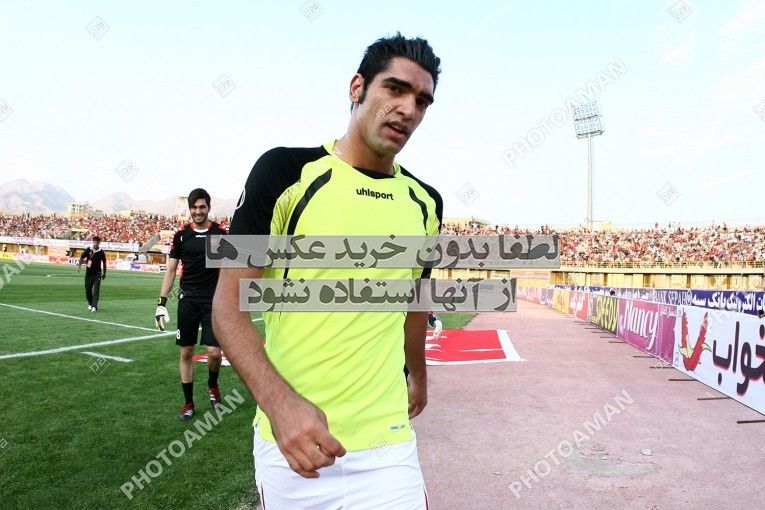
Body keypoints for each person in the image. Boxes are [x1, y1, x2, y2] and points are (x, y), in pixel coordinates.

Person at [213, 33, 442, 508]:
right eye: (395, 89)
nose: (408, 110)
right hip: (294, 445)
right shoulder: (282, 172)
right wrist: (280, 407)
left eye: (422, 101)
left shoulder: (426, 203)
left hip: (387, 446)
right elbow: (227, 308)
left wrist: (418, 375)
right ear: (357, 87)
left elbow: (415, 301)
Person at [155, 188, 228, 421]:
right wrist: (161, 303)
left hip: (212, 301)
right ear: (190, 209)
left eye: (202, 206)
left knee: (214, 353)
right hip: (187, 300)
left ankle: (213, 385)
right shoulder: (181, 236)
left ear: (209, 208)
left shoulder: (219, 234)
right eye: (194, 207)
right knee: (186, 352)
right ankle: (188, 403)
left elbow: (228, 269)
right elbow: (170, 271)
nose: (198, 211)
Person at [78, 235, 106, 312]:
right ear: (93, 242)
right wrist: (79, 266)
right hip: (89, 274)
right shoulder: (88, 249)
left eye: (97, 242)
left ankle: (94, 306)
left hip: (97, 274)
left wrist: (104, 273)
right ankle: (90, 303)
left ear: (99, 243)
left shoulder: (101, 252)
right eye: (94, 242)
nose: (95, 244)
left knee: (96, 291)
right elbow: (81, 257)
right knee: (87, 290)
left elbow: (104, 262)